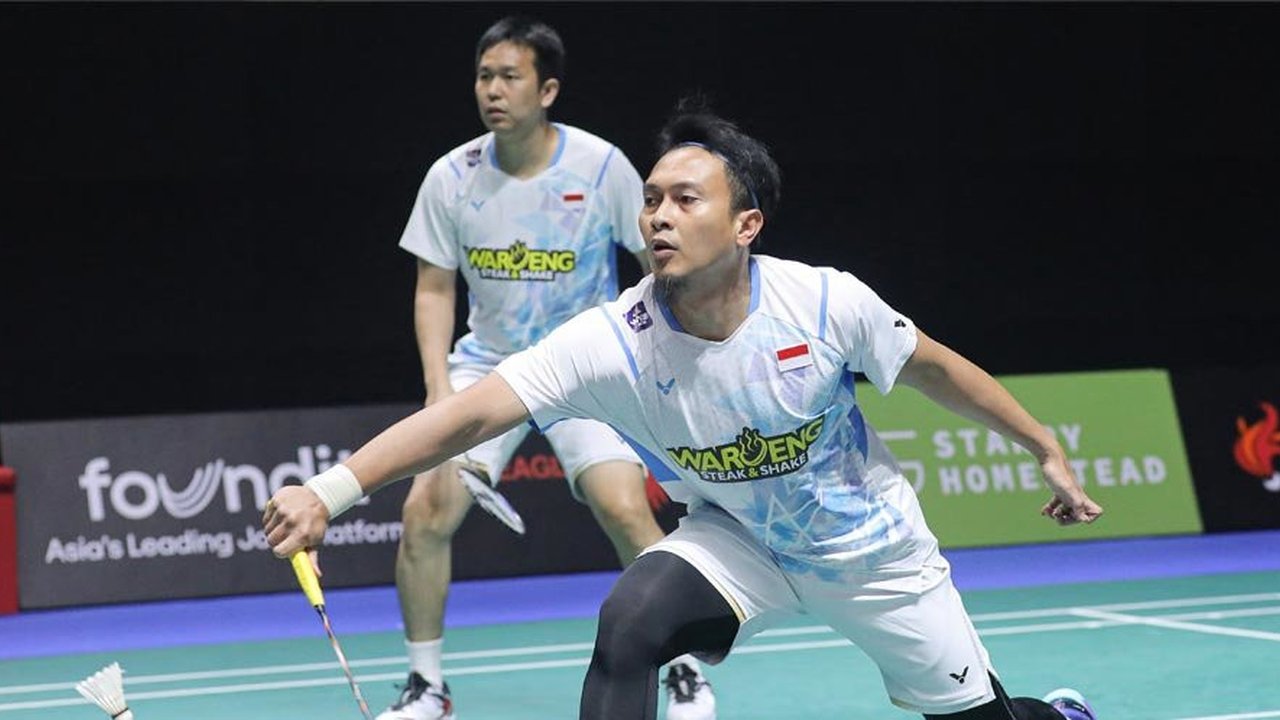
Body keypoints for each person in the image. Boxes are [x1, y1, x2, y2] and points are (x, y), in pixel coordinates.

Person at [265, 101, 1105, 720]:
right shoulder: (613, 339)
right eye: (653, 199)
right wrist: (331, 490)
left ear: (746, 224)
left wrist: (1042, 446)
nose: (660, 215)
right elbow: (470, 415)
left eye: (686, 200)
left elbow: (937, 370)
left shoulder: (824, 304)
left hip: (871, 554)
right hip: (739, 539)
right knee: (630, 619)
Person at [374, 16, 716, 720]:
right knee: (425, 514)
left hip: (585, 362)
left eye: (510, 76)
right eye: (484, 76)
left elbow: (656, 260)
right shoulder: (452, 176)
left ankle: (682, 669)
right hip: (489, 364)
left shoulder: (601, 168)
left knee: (625, 508)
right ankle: (426, 686)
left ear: (548, 89)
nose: (492, 91)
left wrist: (653, 353)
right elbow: (434, 288)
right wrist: (438, 389)